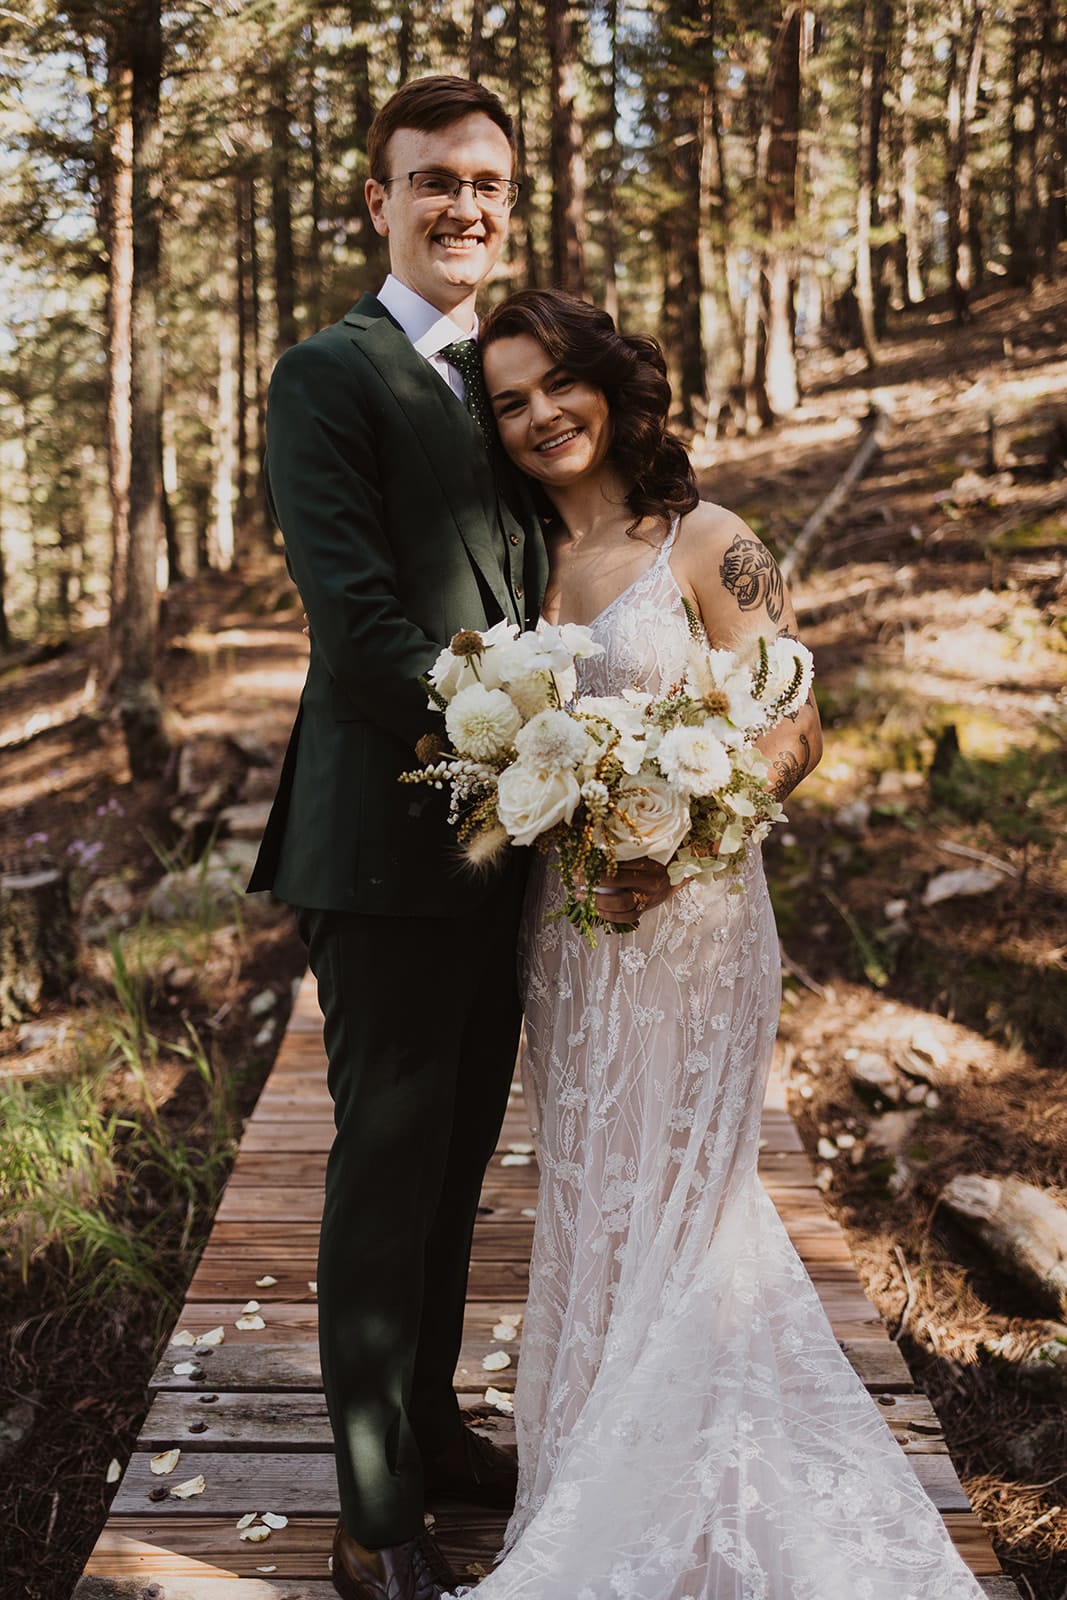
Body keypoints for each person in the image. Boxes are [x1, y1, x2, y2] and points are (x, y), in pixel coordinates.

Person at [460, 289, 987, 1599]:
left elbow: (794, 724)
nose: (538, 416)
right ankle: (595, 1468)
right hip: (571, 937)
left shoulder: (710, 540)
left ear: (608, 380)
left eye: (555, 384)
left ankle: (675, 1492)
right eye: (509, 401)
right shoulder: (509, 557)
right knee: (591, 1194)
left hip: (693, 926)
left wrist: (679, 846)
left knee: (684, 1207)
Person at [248, 78, 548, 1600]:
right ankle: (375, 1513)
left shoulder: (498, 379)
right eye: (433, 181)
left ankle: (428, 1424)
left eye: (487, 181)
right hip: (379, 846)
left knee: (458, 1166)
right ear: (379, 202)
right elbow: (361, 626)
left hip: (511, 846)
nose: (463, 206)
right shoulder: (330, 374)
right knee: (385, 1169)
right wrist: (527, 722)